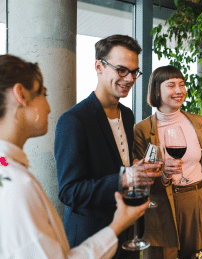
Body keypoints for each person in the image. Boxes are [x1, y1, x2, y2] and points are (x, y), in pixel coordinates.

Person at [0, 54, 150, 259]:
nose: (49, 107)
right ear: (21, 95)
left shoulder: (11, 172)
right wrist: (116, 225)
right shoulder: (17, 184)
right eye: (44, 94)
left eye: (134, 72)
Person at [54, 34, 160, 258]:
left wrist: (135, 169)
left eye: (134, 71)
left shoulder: (128, 115)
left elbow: (116, 162)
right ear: (98, 66)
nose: (130, 78)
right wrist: (124, 177)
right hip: (90, 238)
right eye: (122, 70)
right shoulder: (73, 120)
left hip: (128, 234)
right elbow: (69, 191)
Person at [133, 65, 202, 259]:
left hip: (197, 201)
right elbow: (140, 178)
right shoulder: (142, 130)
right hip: (162, 205)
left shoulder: (198, 123)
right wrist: (164, 175)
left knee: (199, 256)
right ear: (157, 90)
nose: (179, 91)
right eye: (171, 85)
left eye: (181, 84)